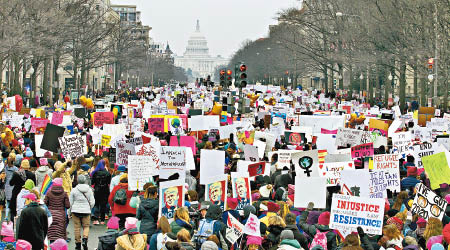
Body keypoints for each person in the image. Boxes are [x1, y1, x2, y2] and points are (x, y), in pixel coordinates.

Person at [70, 175, 95, 250]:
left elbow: (70, 202)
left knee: (77, 228)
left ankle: (78, 244)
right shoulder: (89, 190)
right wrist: (89, 208)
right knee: (86, 226)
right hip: (86, 211)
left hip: (75, 210)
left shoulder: (74, 190)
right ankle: (85, 240)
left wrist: (70, 210)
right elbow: (92, 201)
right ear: (85, 180)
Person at [44, 178, 70, 243]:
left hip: (51, 215)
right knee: (59, 234)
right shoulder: (64, 194)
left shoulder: (48, 193)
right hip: (61, 216)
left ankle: (52, 246)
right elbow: (67, 206)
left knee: (52, 234)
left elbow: (45, 204)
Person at [91, 160, 111, 225]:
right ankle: (102, 220)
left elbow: (92, 182)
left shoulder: (95, 173)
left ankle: (96, 219)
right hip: (105, 190)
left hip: (97, 190)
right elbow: (108, 182)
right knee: (103, 205)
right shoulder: (107, 173)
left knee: (96, 204)